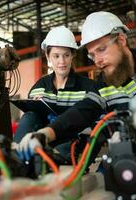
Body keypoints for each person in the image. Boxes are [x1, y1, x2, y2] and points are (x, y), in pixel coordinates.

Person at [17, 11, 136, 160]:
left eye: (101, 50)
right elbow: (82, 112)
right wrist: (45, 134)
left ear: (121, 40)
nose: (98, 61)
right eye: (92, 55)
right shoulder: (104, 87)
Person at [13, 26, 97, 158]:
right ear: (47, 56)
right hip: (42, 140)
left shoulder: (88, 87)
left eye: (66, 55)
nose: (61, 62)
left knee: (56, 155)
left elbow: (95, 127)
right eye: (56, 56)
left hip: (73, 143)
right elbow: (31, 120)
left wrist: (64, 123)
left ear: (73, 55)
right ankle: (17, 154)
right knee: (29, 116)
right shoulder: (39, 87)